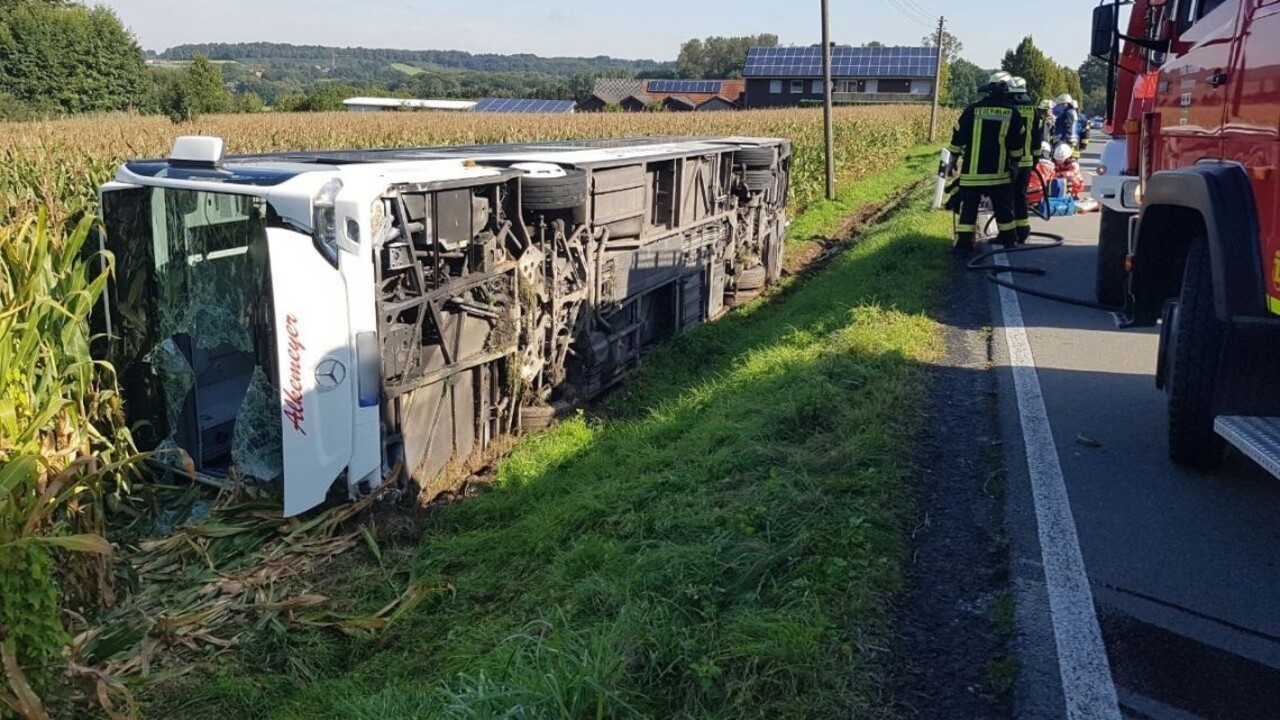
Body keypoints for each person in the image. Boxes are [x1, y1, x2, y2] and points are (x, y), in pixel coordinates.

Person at [945, 72, 1027, 256]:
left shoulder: (972, 110)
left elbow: (958, 136)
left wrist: (952, 161)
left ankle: (964, 246)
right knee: (1003, 209)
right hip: (999, 175)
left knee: (969, 211)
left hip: (972, 175)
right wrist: (1014, 165)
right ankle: (1009, 240)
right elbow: (1017, 143)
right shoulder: (1012, 113)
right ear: (1007, 90)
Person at [1006, 77, 1037, 243]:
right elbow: (1038, 140)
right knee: (1021, 196)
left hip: (1011, 162)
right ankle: (1023, 231)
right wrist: (1035, 160)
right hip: (1027, 163)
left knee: (1008, 198)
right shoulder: (1033, 111)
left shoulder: (1009, 110)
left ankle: (1009, 234)